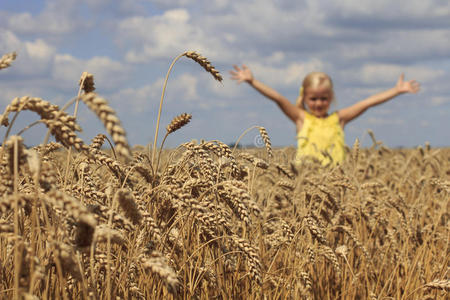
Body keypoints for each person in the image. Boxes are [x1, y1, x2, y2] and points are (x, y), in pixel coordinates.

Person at [230, 65, 420, 165]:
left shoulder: (338, 119)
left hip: (336, 179)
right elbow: (278, 98)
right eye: (313, 99)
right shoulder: (301, 118)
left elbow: (367, 103)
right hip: (307, 180)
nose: (319, 103)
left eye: (323, 98)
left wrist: (396, 91)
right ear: (304, 97)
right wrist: (252, 81)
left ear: (331, 98)